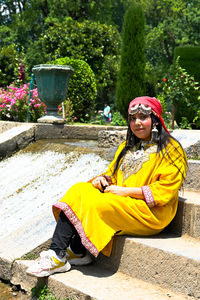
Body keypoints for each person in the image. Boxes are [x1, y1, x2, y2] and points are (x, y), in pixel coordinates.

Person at [26, 96, 187, 277]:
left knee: (98, 204)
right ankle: (66, 252)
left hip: (151, 212)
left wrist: (125, 191)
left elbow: (165, 191)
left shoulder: (171, 150)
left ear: (155, 120)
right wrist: (102, 180)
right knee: (80, 189)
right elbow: (112, 175)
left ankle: (63, 254)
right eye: (133, 119)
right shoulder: (127, 147)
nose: (137, 123)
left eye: (143, 117)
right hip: (122, 201)